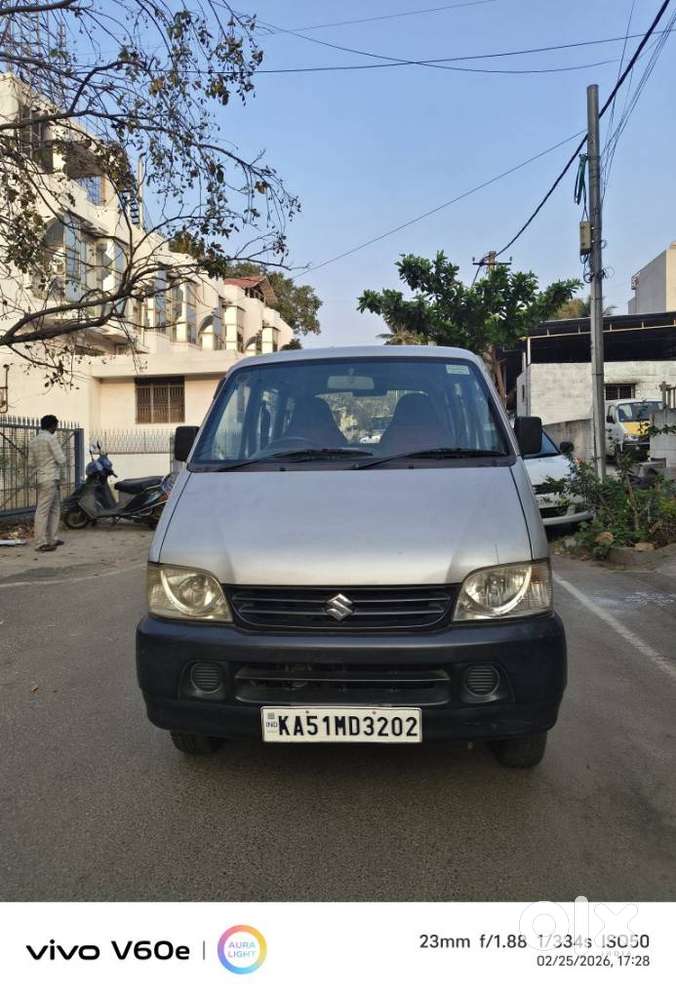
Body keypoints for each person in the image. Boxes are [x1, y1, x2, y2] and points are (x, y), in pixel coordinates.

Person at [27, 415, 66, 552]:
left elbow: (31, 463)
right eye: (56, 425)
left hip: (42, 478)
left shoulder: (34, 441)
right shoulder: (51, 438)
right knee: (43, 511)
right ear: (51, 426)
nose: (56, 428)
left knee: (54, 509)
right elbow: (61, 459)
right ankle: (40, 543)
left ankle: (52, 539)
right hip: (51, 478)